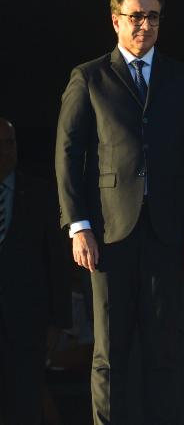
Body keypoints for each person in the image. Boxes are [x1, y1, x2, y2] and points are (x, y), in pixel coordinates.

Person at [55, 0, 184, 424]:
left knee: (167, 349)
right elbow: (68, 153)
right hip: (108, 232)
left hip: (169, 230)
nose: (145, 24)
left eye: (153, 16)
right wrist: (78, 224)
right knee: (109, 350)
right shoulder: (88, 76)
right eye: (136, 16)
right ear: (115, 20)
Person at [0, 118, 71, 424]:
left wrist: (58, 319)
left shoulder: (40, 193)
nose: (5, 151)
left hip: (26, 321)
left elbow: (56, 259)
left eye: (10, 143)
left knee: (25, 402)